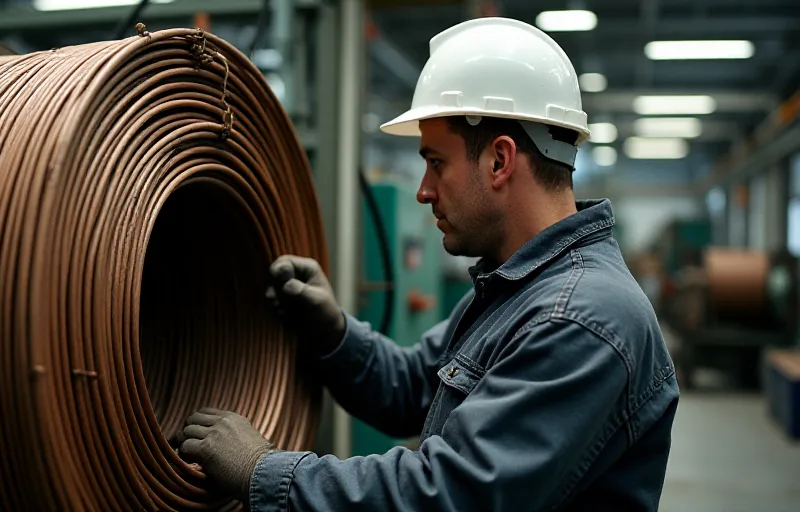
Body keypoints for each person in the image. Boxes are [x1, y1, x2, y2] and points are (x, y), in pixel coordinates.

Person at [175, 17, 679, 511]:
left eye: (436, 162)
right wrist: (332, 332)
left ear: (500, 161)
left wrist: (263, 470)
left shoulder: (579, 319)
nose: (423, 190)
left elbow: (449, 494)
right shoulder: (520, 287)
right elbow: (415, 386)